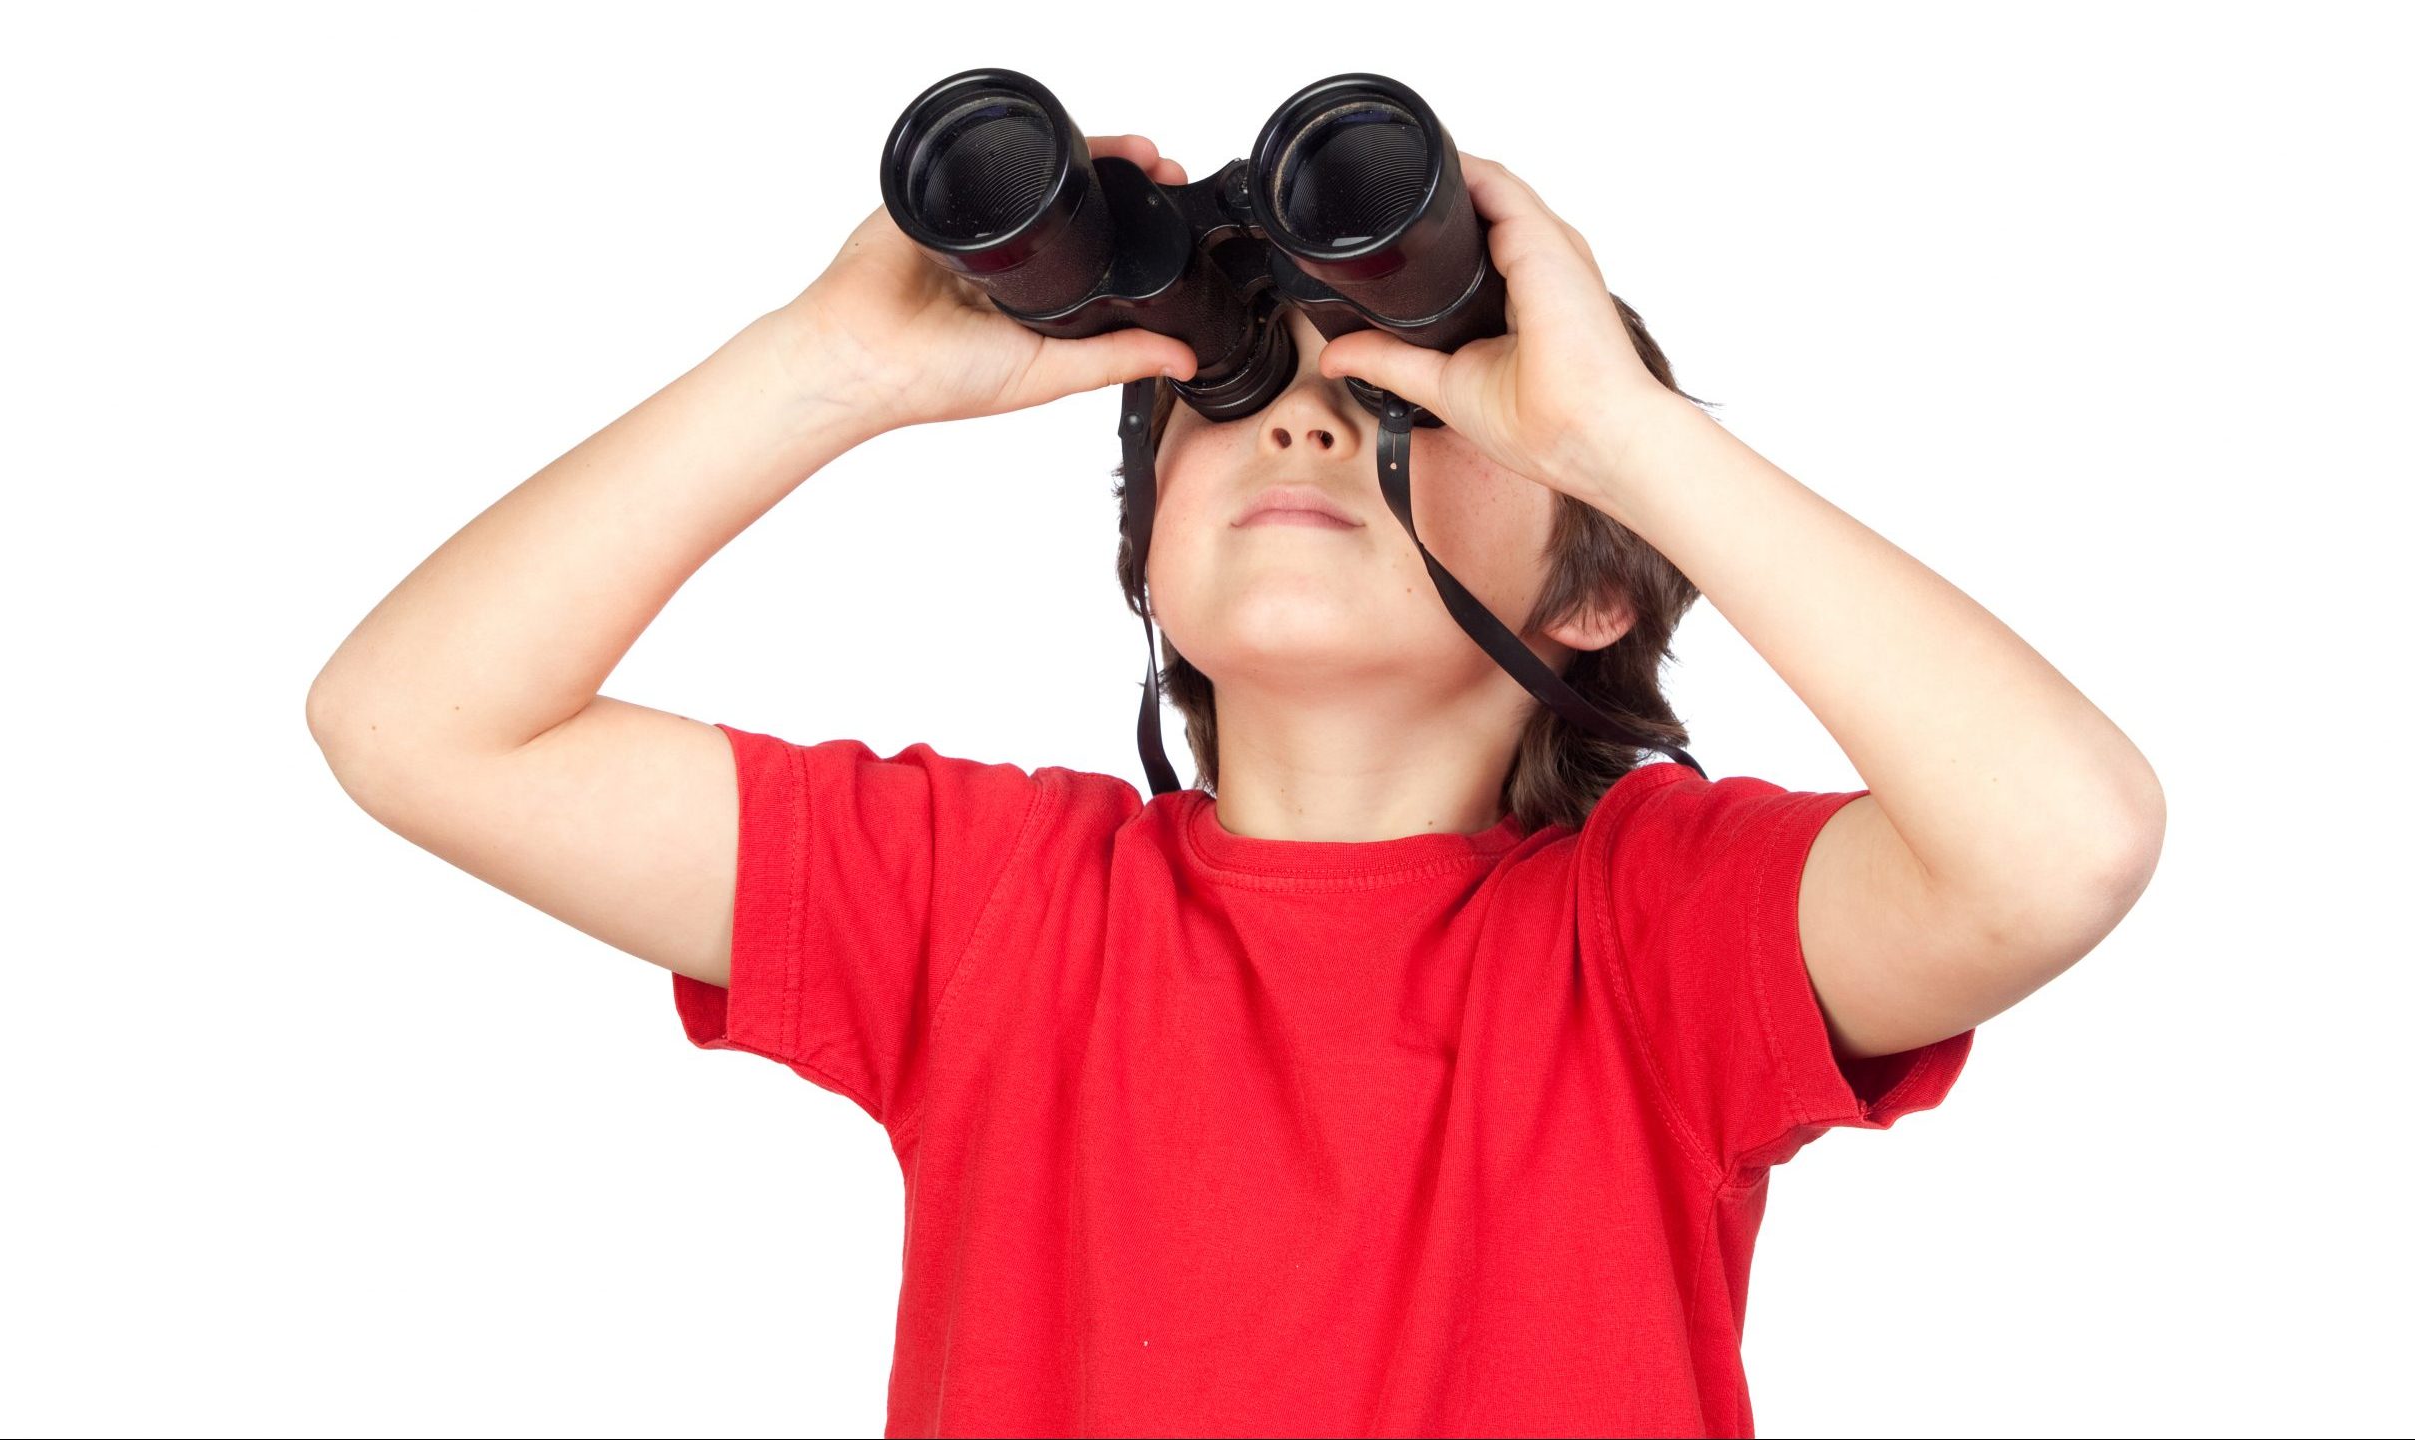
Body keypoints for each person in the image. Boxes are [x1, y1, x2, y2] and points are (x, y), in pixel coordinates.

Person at [306, 134, 2166, 1438]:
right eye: (1238, 386)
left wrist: (1618, 430)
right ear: (1147, 563)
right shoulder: (990, 899)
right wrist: (828, 369)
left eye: (1412, 405)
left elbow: (2060, 843)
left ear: (1601, 588)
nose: (1303, 415)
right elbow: (416, 721)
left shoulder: (1659, 932)